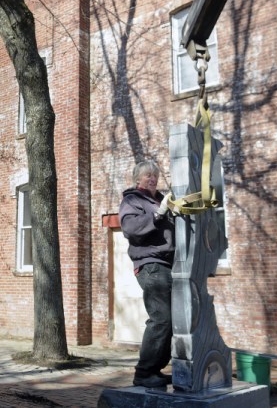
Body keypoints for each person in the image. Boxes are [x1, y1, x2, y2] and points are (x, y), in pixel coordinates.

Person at [119, 159, 176, 388]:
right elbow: (130, 229)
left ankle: (155, 370)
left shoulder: (161, 200)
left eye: (154, 175)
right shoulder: (132, 200)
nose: (152, 179)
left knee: (170, 321)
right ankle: (144, 373)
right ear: (138, 180)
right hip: (151, 264)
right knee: (161, 318)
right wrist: (157, 214)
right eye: (147, 176)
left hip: (169, 264)